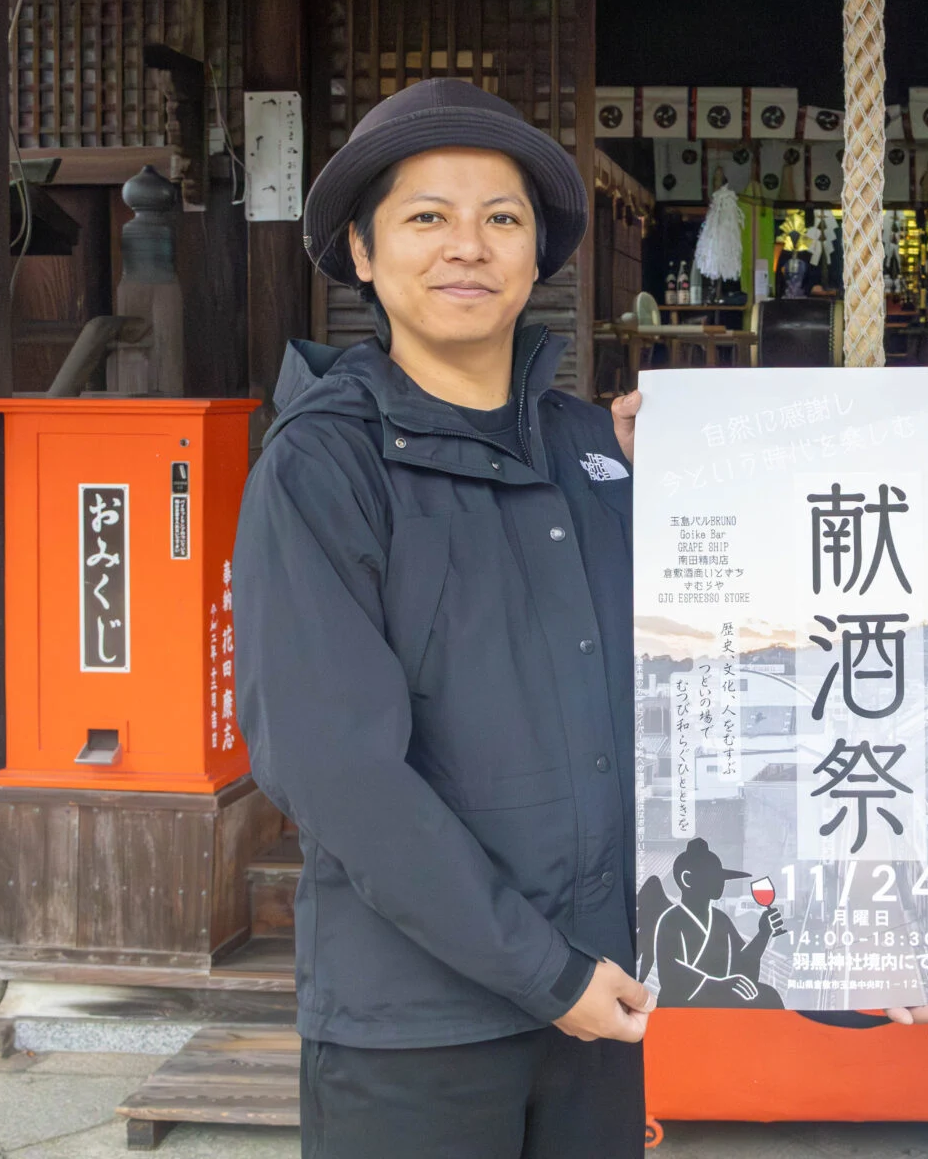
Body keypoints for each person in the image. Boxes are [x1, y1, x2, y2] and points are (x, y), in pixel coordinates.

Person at [233, 78, 651, 1158]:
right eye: (428, 216)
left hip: (601, 999)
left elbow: (712, 679)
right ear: (363, 252)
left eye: (501, 218)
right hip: (416, 1028)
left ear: (536, 256)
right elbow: (335, 769)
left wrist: (700, 488)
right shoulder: (324, 465)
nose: (469, 245)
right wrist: (545, 972)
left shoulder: (596, 451)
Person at [648, 837, 785, 1007]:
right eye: (713, 877)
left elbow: (741, 963)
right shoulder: (670, 921)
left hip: (716, 1002)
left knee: (768, 995)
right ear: (687, 879)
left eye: (721, 877)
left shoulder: (721, 919)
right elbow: (672, 976)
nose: (721, 882)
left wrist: (763, 934)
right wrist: (718, 986)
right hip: (681, 1007)